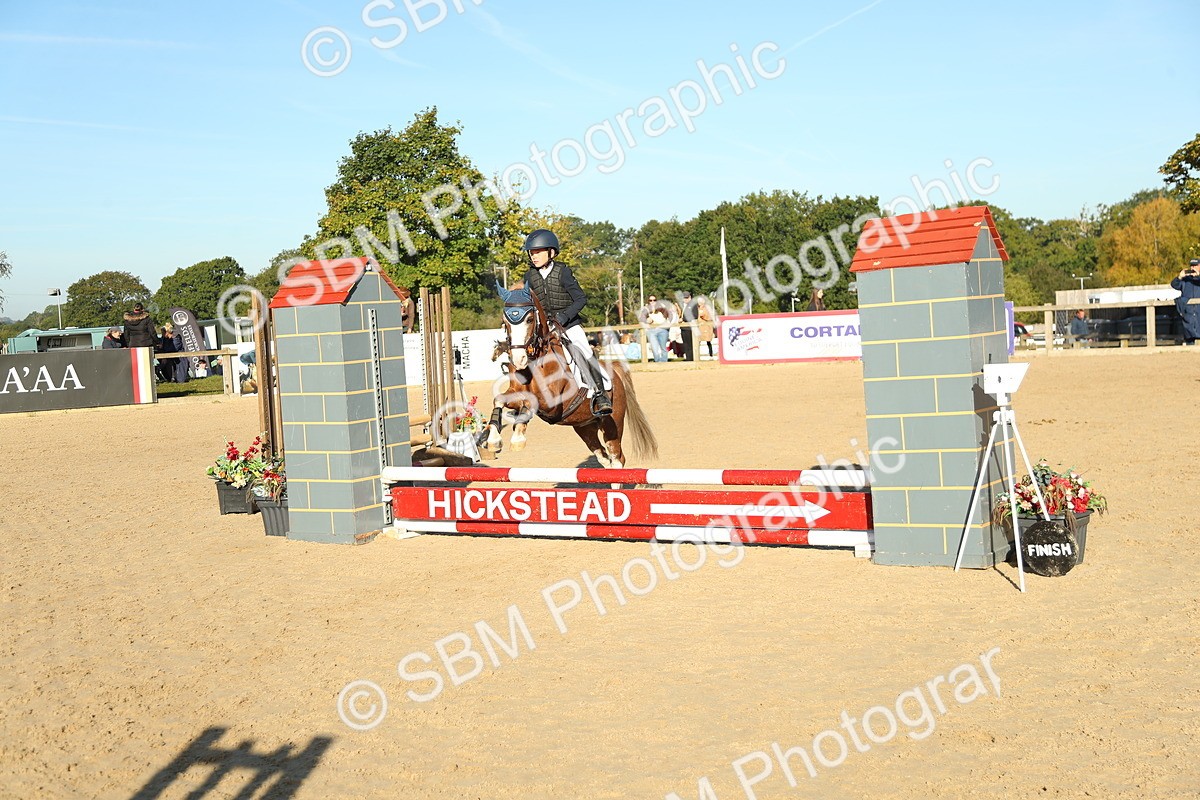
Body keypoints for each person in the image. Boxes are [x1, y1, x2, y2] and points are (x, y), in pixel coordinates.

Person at [520, 228, 613, 415]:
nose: (534, 256)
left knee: (583, 349)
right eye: (531, 253)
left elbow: (581, 299)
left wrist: (564, 316)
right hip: (543, 327)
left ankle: (600, 394)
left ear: (551, 252)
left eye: (538, 252)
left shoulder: (563, 272)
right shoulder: (529, 277)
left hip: (567, 324)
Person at [1171, 259, 1200, 345]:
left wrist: (1198, 276)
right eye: (1191, 266)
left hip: (1199, 313)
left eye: (1195, 266)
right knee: (1189, 338)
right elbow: (1174, 285)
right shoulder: (1185, 280)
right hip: (1189, 315)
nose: (1193, 268)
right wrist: (1180, 277)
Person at [640, 295, 669, 362]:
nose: (652, 302)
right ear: (648, 301)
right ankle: (657, 361)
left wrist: (654, 320)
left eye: (654, 300)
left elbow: (665, 318)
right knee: (654, 348)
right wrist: (647, 320)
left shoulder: (661, 308)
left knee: (663, 347)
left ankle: (664, 361)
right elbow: (642, 318)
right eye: (650, 300)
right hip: (651, 330)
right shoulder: (645, 309)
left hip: (662, 330)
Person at [679, 291, 697, 362]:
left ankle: (692, 359)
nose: (685, 299)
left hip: (690, 328)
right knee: (686, 345)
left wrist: (683, 319)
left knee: (690, 345)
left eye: (687, 298)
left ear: (690, 297)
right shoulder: (682, 306)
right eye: (684, 298)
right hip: (683, 328)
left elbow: (695, 315)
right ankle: (688, 358)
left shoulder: (693, 305)